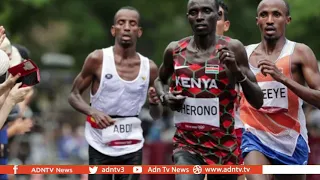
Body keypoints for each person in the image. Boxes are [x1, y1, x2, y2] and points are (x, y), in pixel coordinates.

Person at [154, 0, 263, 180]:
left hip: (224, 146)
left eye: (206, 11)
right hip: (186, 144)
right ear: (188, 17)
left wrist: (236, 71)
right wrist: (165, 97)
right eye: (193, 12)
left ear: (217, 15)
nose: (199, 17)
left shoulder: (233, 48)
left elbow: (258, 101)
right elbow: (160, 80)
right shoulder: (175, 50)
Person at [68, 6, 160, 180]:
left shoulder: (150, 68)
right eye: (121, 22)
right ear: (113, 30)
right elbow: (73, 95)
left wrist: (155, 103)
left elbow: (157, 115)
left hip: (131, 147)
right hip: (99, 144)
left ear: (139, 32)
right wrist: (93, 112)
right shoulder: (97, 59)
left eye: (132, 23)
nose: (126, 27)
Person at [239, 0, 320, 180]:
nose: (269, 20)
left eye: (276, 14)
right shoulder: (244, 55)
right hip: (255, 136)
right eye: (264, 15)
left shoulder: (299, 53)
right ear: (257, 21)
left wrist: (282, 77)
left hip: (290, 141)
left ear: (287, 20)